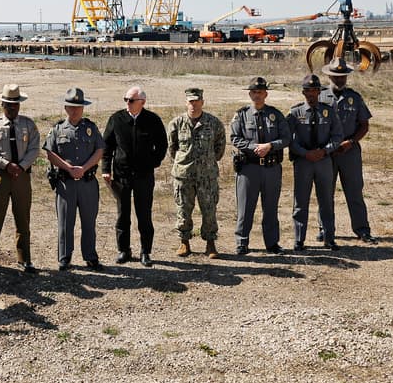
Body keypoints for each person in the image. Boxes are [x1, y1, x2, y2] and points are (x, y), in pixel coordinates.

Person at [102, 85, 167, 267]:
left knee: (144, 214)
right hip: (121, 176)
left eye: (131, 100)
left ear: (142, 102)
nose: (127, 104)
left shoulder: (152, 120)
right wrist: (106, 168)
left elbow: (162, 145)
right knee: (123, 214)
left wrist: (153, 162)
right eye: (126, 100)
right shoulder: (117, 119)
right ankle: (124, 250)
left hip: (144, 176)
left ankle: (145, 251)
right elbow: (106, 146)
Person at [0, 84, 41, 274]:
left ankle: (25, 259)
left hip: (22, 177)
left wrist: (21, 166)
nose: (11, 107)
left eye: (15, 103)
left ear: (20, 105)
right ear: (2, 104)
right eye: (8, 104)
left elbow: (34, 148)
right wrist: (6, 165)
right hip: (0, 176)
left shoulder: (28, 125)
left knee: (23, 219)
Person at [43, 88, 105, 271]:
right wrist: (69, 168)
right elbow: (49, 153)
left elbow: (99, 150)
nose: (75, 110)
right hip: (65, 183)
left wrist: (84, 168)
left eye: (78, 107)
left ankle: (90, 256)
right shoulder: (57, 129)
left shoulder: (91, 128)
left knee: (89, 221)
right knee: (65, 222)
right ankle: (64, 257)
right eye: (71, 106)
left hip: (87, 183)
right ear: (65, 107)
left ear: (83, 108)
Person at [319, 59, 376, 243]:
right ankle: (325, 229)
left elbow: (364, 125)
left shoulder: (355, 97)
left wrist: (350, 142)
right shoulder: (319, 96)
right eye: (336, 76)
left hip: (349, 152)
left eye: (342, 76)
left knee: (354, 192)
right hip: (327, 153)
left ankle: (362, 229)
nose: (339, 79)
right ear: (329, 75)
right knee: (325, 192)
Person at [230, 77, 289, 255]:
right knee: (245, 207)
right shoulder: (241, 114)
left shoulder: (276, 114)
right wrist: (253, 147)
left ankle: (272, 243)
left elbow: (286, 138)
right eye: (254, 92)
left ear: (266, 94)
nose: (257, 95)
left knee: (270, 206)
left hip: (271, 168)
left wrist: (270, 146)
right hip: (249, 168)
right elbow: (234, 138)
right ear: (250, 94)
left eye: (260, 92)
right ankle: (242, 242)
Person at [167, 87, 226, 258]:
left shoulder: (214, 123)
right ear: (186, 103)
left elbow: (219, 148)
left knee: (209, 210)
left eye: (197, 101)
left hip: (207, 176)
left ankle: (210, 243)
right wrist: (184, 163)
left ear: (202, 102)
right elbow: (172, 149)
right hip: (183, 176)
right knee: (183, 210)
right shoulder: (176, 123)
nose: (194, 104)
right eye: (190, 101)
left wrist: (206, 163)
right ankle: (184, 242)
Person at [287, 75, 342, 252]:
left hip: (323, 161)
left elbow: (337, 136)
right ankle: (299, 239)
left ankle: (329, 237)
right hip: (303, 162)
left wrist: (324, 151)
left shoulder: (329, 111)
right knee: (300, 202)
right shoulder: (295, 113)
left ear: (319, 92)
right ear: (303, 92)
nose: (311, 94)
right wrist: (304, 153)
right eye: (307, 90)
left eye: (314, 90)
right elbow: (288, 138)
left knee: (326, 200)